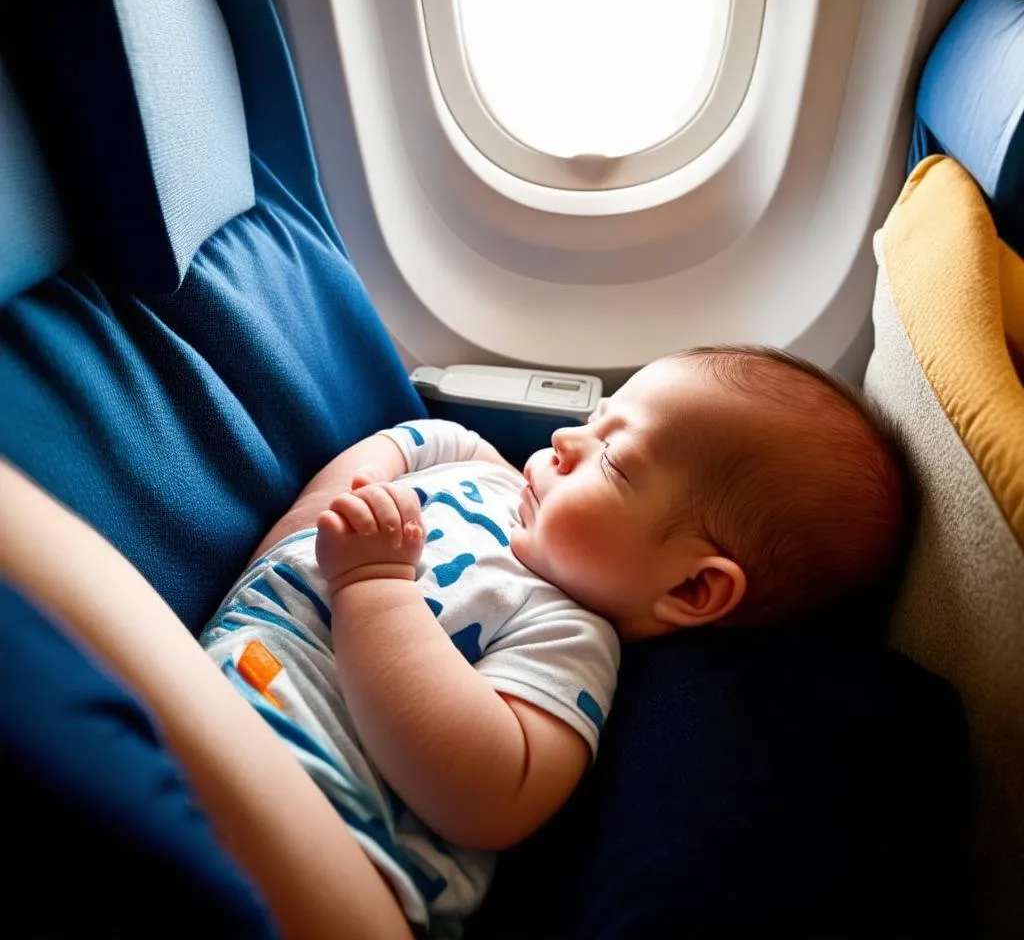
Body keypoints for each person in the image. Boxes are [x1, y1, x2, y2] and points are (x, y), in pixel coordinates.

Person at [197, 344, 915, 937]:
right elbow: (400, 448)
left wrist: (374, 586)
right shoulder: (489, 476)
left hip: (331, 853)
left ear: (691, 590)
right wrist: (322, 514)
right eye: (598, 416)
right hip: (222, 714)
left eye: (616, 459)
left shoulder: (569, 637)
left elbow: (485, 792)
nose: (569, 441)